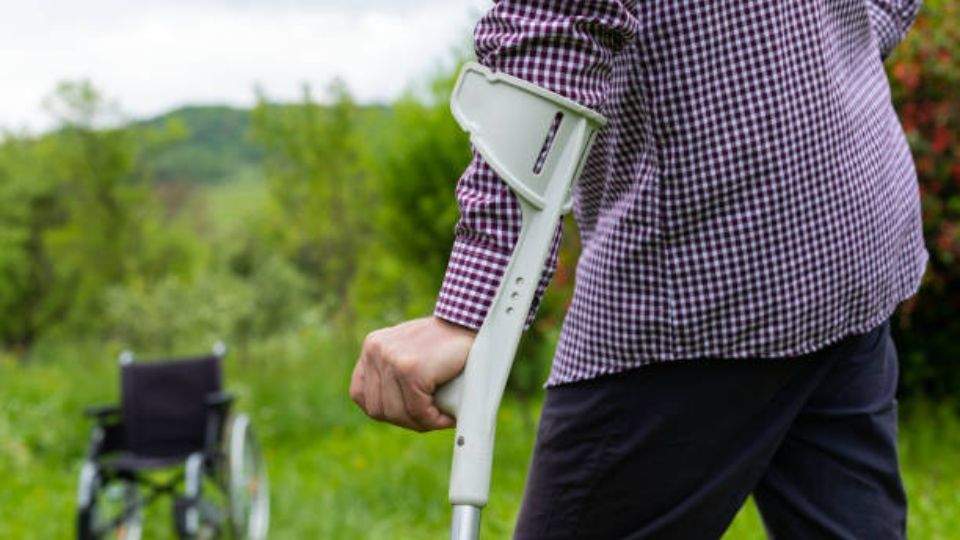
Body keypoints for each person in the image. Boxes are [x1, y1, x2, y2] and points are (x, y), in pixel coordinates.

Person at [350, 1, 927, 537]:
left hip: (701, 274)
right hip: (854, 217)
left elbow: (554, 32)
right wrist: (822, 62)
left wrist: (472, 313)